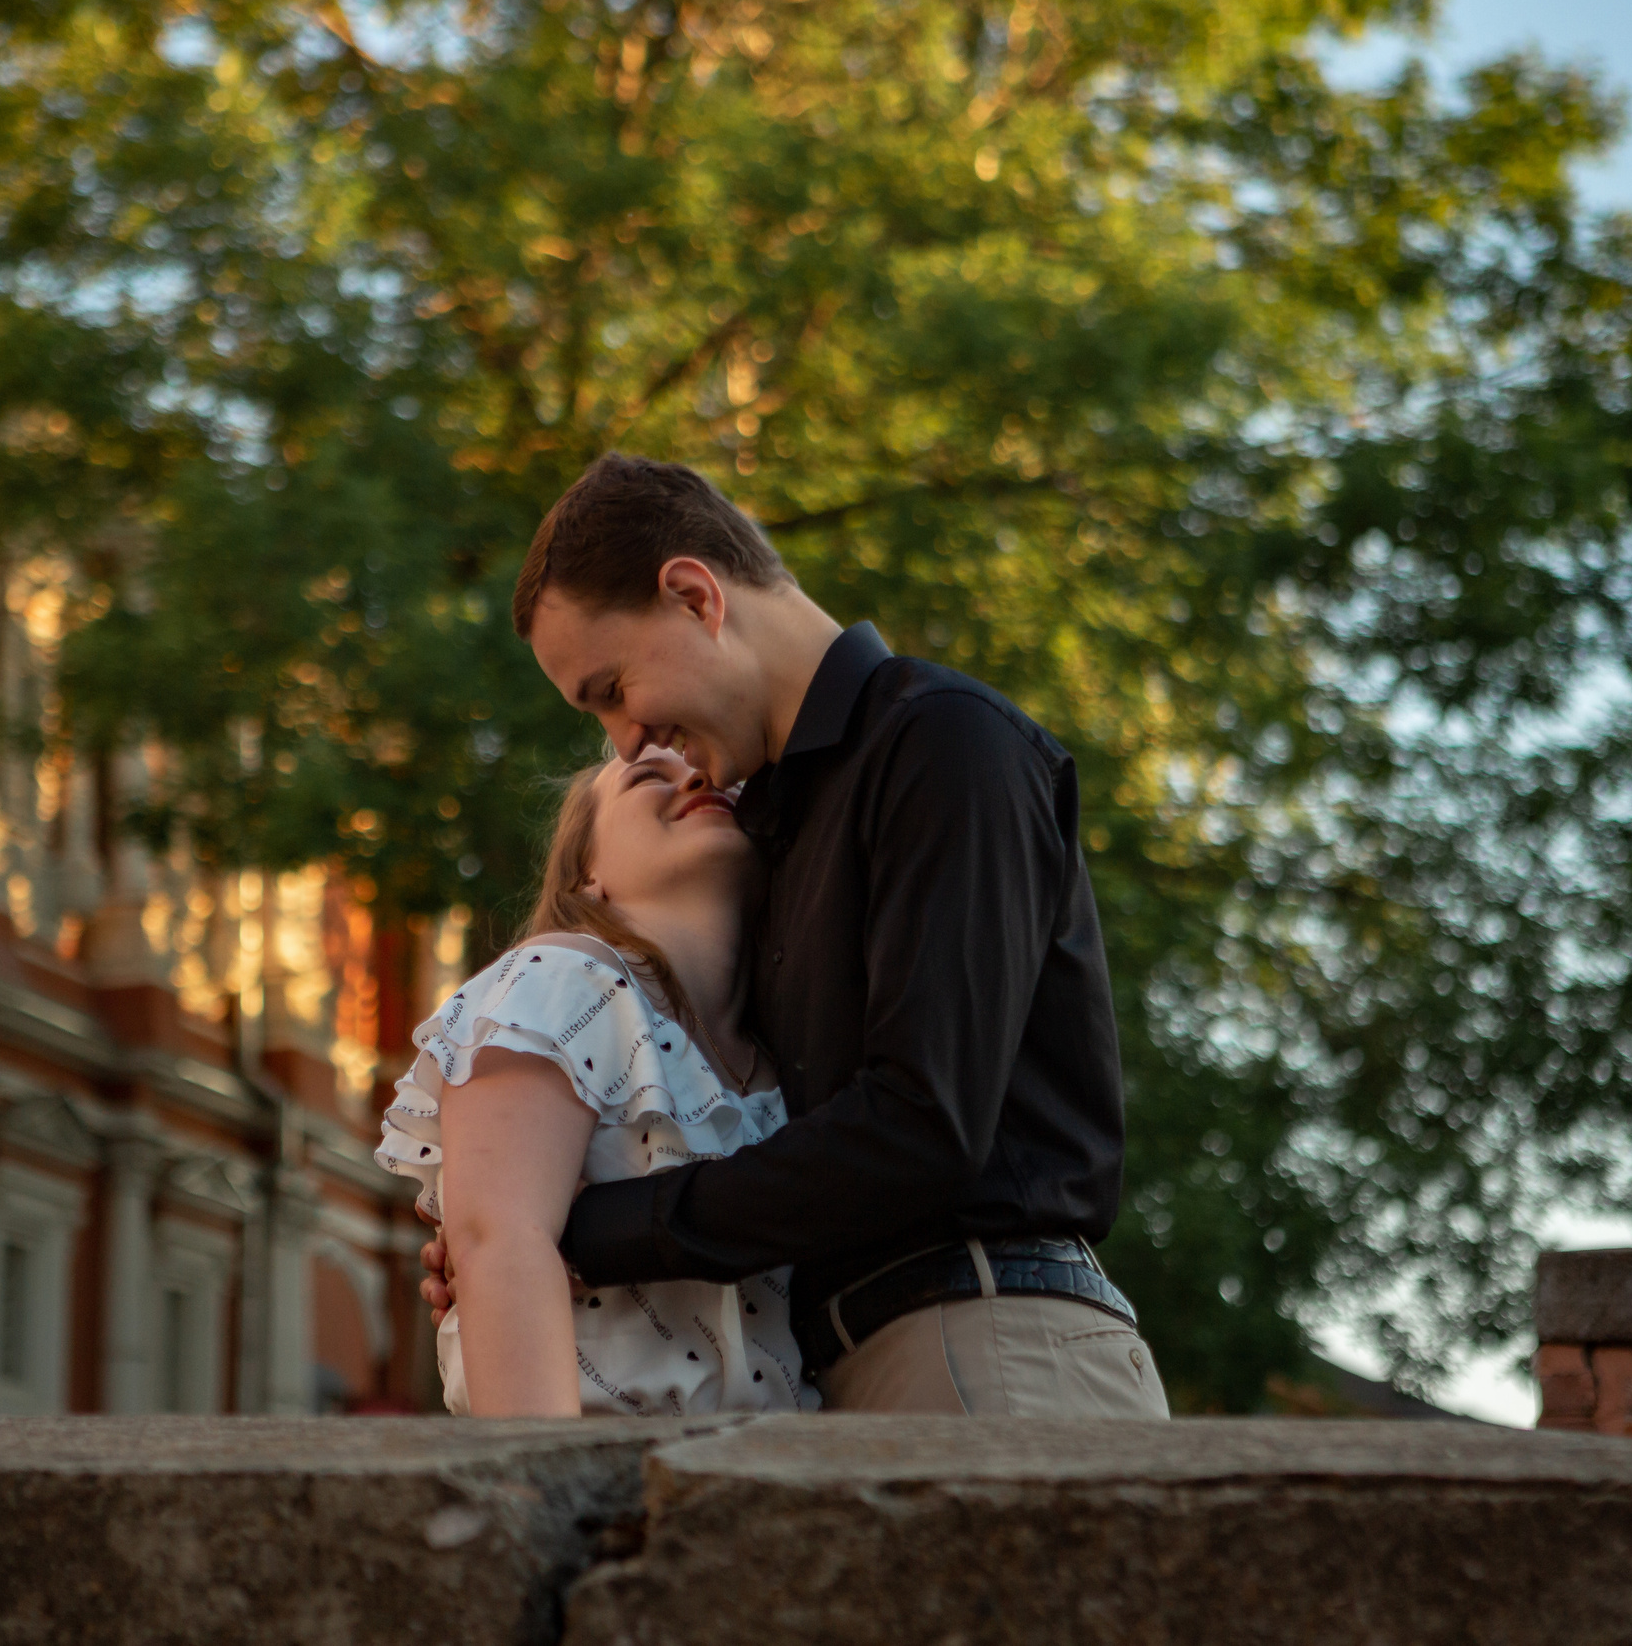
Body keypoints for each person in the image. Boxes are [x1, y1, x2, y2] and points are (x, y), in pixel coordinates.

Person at [427, 452, 1170, 1418]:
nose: (624, 739)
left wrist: (589, 1231)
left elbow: (921, 1123)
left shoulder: (942, 742)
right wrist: (517, 1214)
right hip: (846, 1376)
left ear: (695, 596)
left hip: (984, 1336)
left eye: (611, 688)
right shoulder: (762, 843)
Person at [377, 743, 816, 1416]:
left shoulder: (791, 1052)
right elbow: (500, 1240)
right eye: (648, 777)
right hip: (602, 1451)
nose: (700, 777)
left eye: (723, 778)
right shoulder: (565, 979)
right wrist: (546, 1472)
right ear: (587, 875)